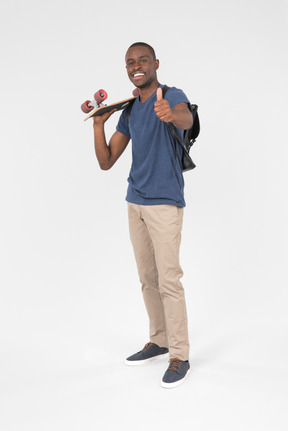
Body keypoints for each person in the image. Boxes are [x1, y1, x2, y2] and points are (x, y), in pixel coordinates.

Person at [92, 42, 193, 389]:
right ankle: (159, 338)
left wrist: (171, 114)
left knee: (169, 281)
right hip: (134, 201)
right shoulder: (131, 110)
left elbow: (187, 117)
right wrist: (98, 125)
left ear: (155, 64)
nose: (137, 66)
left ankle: (179, 355)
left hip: (164, 202)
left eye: (143, 60)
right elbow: (106, 162)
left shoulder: (170, 94)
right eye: (130, 63)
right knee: (147, 279)